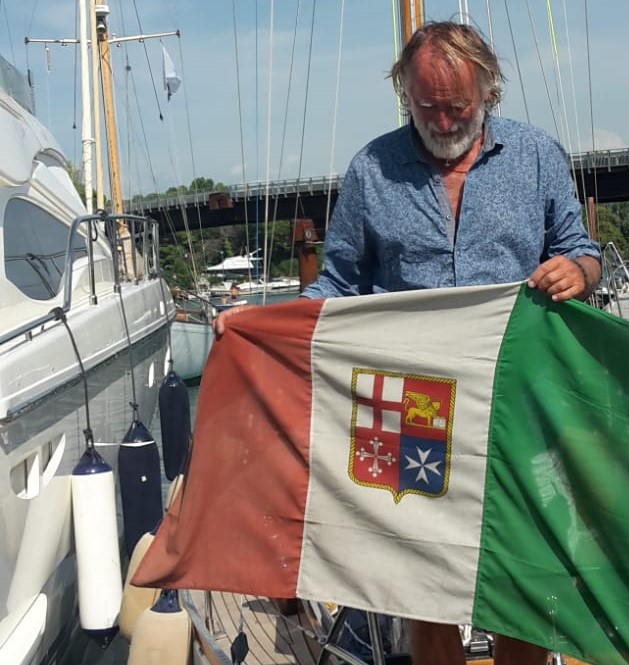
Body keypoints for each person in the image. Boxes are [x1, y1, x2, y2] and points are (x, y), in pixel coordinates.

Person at [215, 20, 601, 665]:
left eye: (459, 106)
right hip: (410, 405)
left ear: (489, 91)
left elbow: (581, 250)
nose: (444, 120)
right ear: (405, 92)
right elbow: (338, 281)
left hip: (516, 401)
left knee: (524, 574)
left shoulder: (538, 157)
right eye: (428, 106)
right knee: (420, 583)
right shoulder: (372, 169)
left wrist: (579, 272)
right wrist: (262, 326)